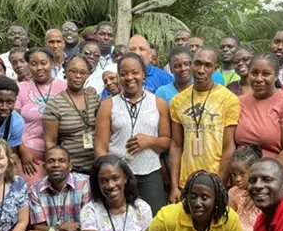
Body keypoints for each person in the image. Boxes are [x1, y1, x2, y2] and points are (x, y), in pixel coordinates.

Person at [95, 53, 170, 216]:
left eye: (135, 72)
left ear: (143, 74)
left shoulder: (159, 104)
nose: (129, 77)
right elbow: (100, 148)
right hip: (118, 177)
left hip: (150, 174)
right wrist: (108, 175)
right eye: (123, 73)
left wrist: (149, 141)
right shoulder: (108, 105)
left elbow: (167, 142)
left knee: (153, 224)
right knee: (120, 220)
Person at [234, 51, 283, 202]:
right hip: (242, 183)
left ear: (276, 75)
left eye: (266, 74)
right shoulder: (238, 103)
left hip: (278, 181)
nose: (259, 79)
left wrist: (261, 182)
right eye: (254, 73)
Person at [169, 46, 240, 202]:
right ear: (191, 64)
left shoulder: (228, 99)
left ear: (215, 69)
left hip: (215, 180)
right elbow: (175, 144)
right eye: (197, 63)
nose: (201, 70)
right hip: (186, 182)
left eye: (207, 65)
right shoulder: (178, 101)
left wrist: (219, 184)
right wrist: (174, 186)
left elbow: (229, 147)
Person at [15, 47, 67, 187]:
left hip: (61, 158)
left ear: (52, 63)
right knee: (33, 197)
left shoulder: (64, 87)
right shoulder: (21, 88)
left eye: (43, 63)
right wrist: (23, 151)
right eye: (33, 64)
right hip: (30, 159)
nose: (39, 68)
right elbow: (12, 123)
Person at [43, 54, 100, 175]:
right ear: (65, 73)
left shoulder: (94, 99)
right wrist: (57, 168)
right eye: (73, 71)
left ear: (88, 75)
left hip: (97, 166)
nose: (78, 76)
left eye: (83, 72)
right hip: (71, 169)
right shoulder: (55, 104)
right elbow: (50, 142)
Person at [228, 145, 262, 231]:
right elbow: (230, 216)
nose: (237, 179)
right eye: (234, 175)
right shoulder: (233, 192)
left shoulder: (262, 191)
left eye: (242, 174)